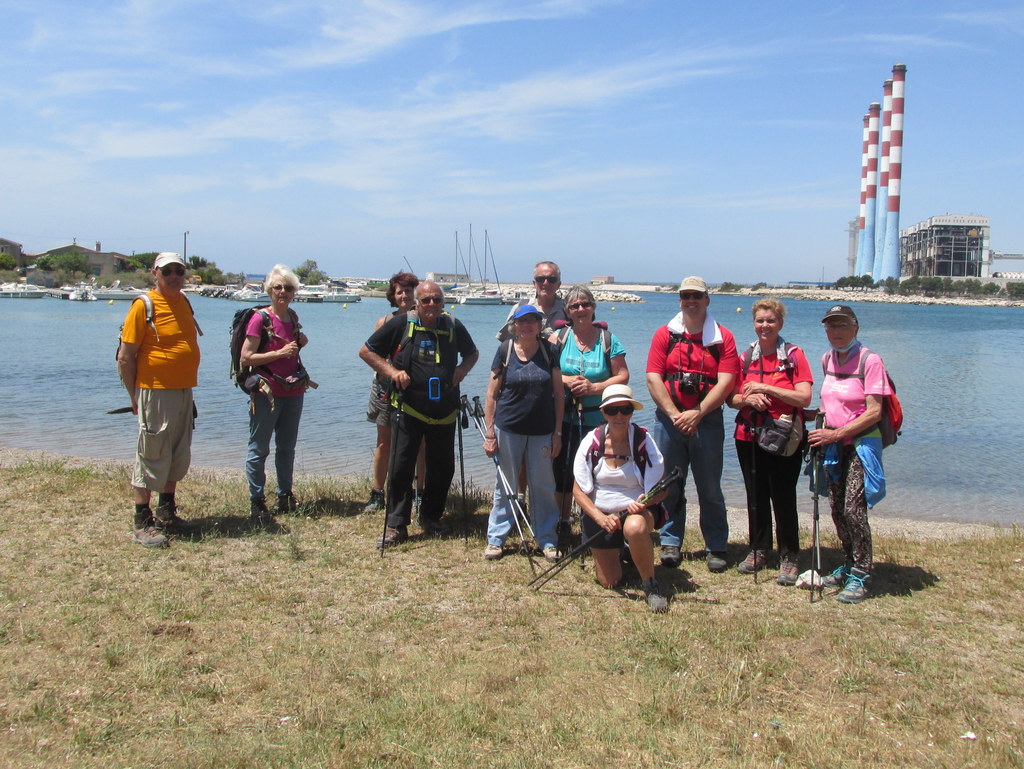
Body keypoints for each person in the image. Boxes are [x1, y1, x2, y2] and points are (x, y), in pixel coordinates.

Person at [359, 281, 478, 546]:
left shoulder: (452, 325)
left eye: (436, 300)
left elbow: (473, 353)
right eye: (426, 300)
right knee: (401, 467)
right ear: (417, 302)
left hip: (444, 411)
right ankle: (396, 525)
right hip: (408, 408)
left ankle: (431, 517)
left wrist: (462, 370)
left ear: (443, 302)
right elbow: (366, 351)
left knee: (443, 468)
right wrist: (392, 372)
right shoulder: (402, 324)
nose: (431, 305)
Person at [645, 276, 740, 572]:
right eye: (686, 295)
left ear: (707, 300)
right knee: (670, 484)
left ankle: (716, 545)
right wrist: (675, 414)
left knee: (709, 486)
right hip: (668, 420)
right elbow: (652, 377)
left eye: (697, 296)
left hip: (707, 421)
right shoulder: (665, 334)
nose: (691, 300)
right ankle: (670, 540)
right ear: (680, 300)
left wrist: (697, 413)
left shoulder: (722, 338)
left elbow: (726, 382)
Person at [116, 252, 202, 548]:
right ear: (156, 273)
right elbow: (126, 358)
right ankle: (142, 521)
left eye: (179, 270)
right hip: (155, 391)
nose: (174, 276)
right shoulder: (144, 305)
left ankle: (167, 512)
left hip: (183, 390)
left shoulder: (184, 302)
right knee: (151, 454)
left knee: (177, 454)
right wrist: (135, 396)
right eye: (168, 272)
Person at [807, 305, 891, 604]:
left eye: (842, 325)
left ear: (855, 328)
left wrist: (837, 434)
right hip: (833, 445)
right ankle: (848, 562)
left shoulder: (870, 360)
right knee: (837, 508)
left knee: (854, 509)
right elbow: (831, 403)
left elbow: (874, 411)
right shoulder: (827, 358)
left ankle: (862, 573)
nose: (836, 332)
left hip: (860, 443)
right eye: (830, 326)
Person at [726, 299, 812, 585]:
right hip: (748, 436)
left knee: (783, 496)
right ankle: (758, 549)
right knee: (756, 496)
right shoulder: (746, 357)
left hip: (784, 437)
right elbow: (732, 399)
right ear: (753, 323)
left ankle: (788, 555)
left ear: (780, 324)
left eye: (770, 320)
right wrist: (747, 398)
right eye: (760, 320)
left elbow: (804, 398)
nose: (765, 325)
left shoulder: (794, 356)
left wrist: (765, 387)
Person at [573, 385, 670, 612]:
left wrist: (646, 502)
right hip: (602, 517)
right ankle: (625, 551)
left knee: (635, 528)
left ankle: (650, 584)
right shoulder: (592, 441)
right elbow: (578, 490)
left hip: (636, 513)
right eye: (613, 410)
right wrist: (599, 518)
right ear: (604, 412)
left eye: (625, 410)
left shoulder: (643, 440)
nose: (619, 416)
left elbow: (663, 488)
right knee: (609, 582)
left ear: (631, 412)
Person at [482, 305, 564, 562]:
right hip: (509, 430)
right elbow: (492, 394)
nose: (527, 325)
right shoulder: (504, 350)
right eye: (522, 321)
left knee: (543, 486)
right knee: (504, 484)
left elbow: (559, 395)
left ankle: (547, 539)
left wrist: (557, 432)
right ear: (514, 325)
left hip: (542, 431)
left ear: (539, 325)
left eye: (532, 321)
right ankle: (496, 539)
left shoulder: (550, 351)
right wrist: (490, 433)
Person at [239, 265, 311, 527]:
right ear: (269, 290)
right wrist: (279, 354)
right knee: (259, 448)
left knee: (287, 447)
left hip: (293, 391)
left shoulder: (292, 316)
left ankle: (285, 495)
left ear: (294, 293)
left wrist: (300, 343)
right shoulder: (260, 319)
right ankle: (256, 500)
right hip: (266, 392)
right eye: (278, 287)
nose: (283, 291)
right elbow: (246, 357)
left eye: (288, 288)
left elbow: (293, 348)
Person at [551, 284, 629, 525]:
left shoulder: (608, 339)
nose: (580, 309)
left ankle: (595, 522)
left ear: (593, 308)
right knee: (562, 473)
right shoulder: (558, 338)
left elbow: (623, 376)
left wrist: (594, 388)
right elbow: (546, 370)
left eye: (585, 304)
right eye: (574, 306)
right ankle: (562, 522)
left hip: (599, 421)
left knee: (597, 473)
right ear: (567, 311)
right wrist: (565, 380)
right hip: (565, 417)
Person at [363, 271, 424, 514]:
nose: (405, 296)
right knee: (384, 443)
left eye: (409, 291)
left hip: (416, 390)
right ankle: (378, 493)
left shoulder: (425, 320)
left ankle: (420, 493)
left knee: (421, 444)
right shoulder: (385, 322)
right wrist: (392, 372)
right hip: (386, 389)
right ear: (393, 295)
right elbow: (371, 354)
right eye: (400, 292)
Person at [496, 261, 569, 342]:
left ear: (558, 284)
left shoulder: (568, 310)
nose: (545, 283)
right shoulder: (520, 308)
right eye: (540, 279)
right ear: (534, 283)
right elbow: (506, 339)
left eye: (551, 279)